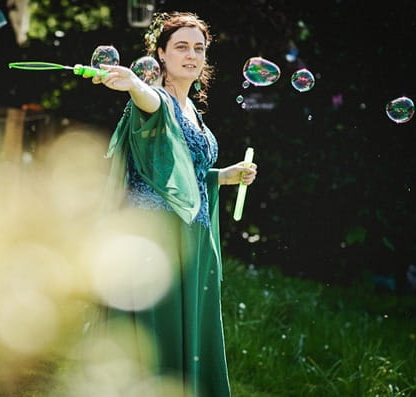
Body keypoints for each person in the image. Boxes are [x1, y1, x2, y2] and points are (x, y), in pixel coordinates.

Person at [86, 11, 258, 397]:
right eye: (181, 47)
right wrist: (132, 82)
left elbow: (183, 177)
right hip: (156, 246)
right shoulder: (156, 102)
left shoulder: (193, 112)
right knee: (156, 338)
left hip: (192, 246)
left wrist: (223, 176)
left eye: (199, 48)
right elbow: (148, 102)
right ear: (161, 54)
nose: (192, 55)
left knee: (187, 342)